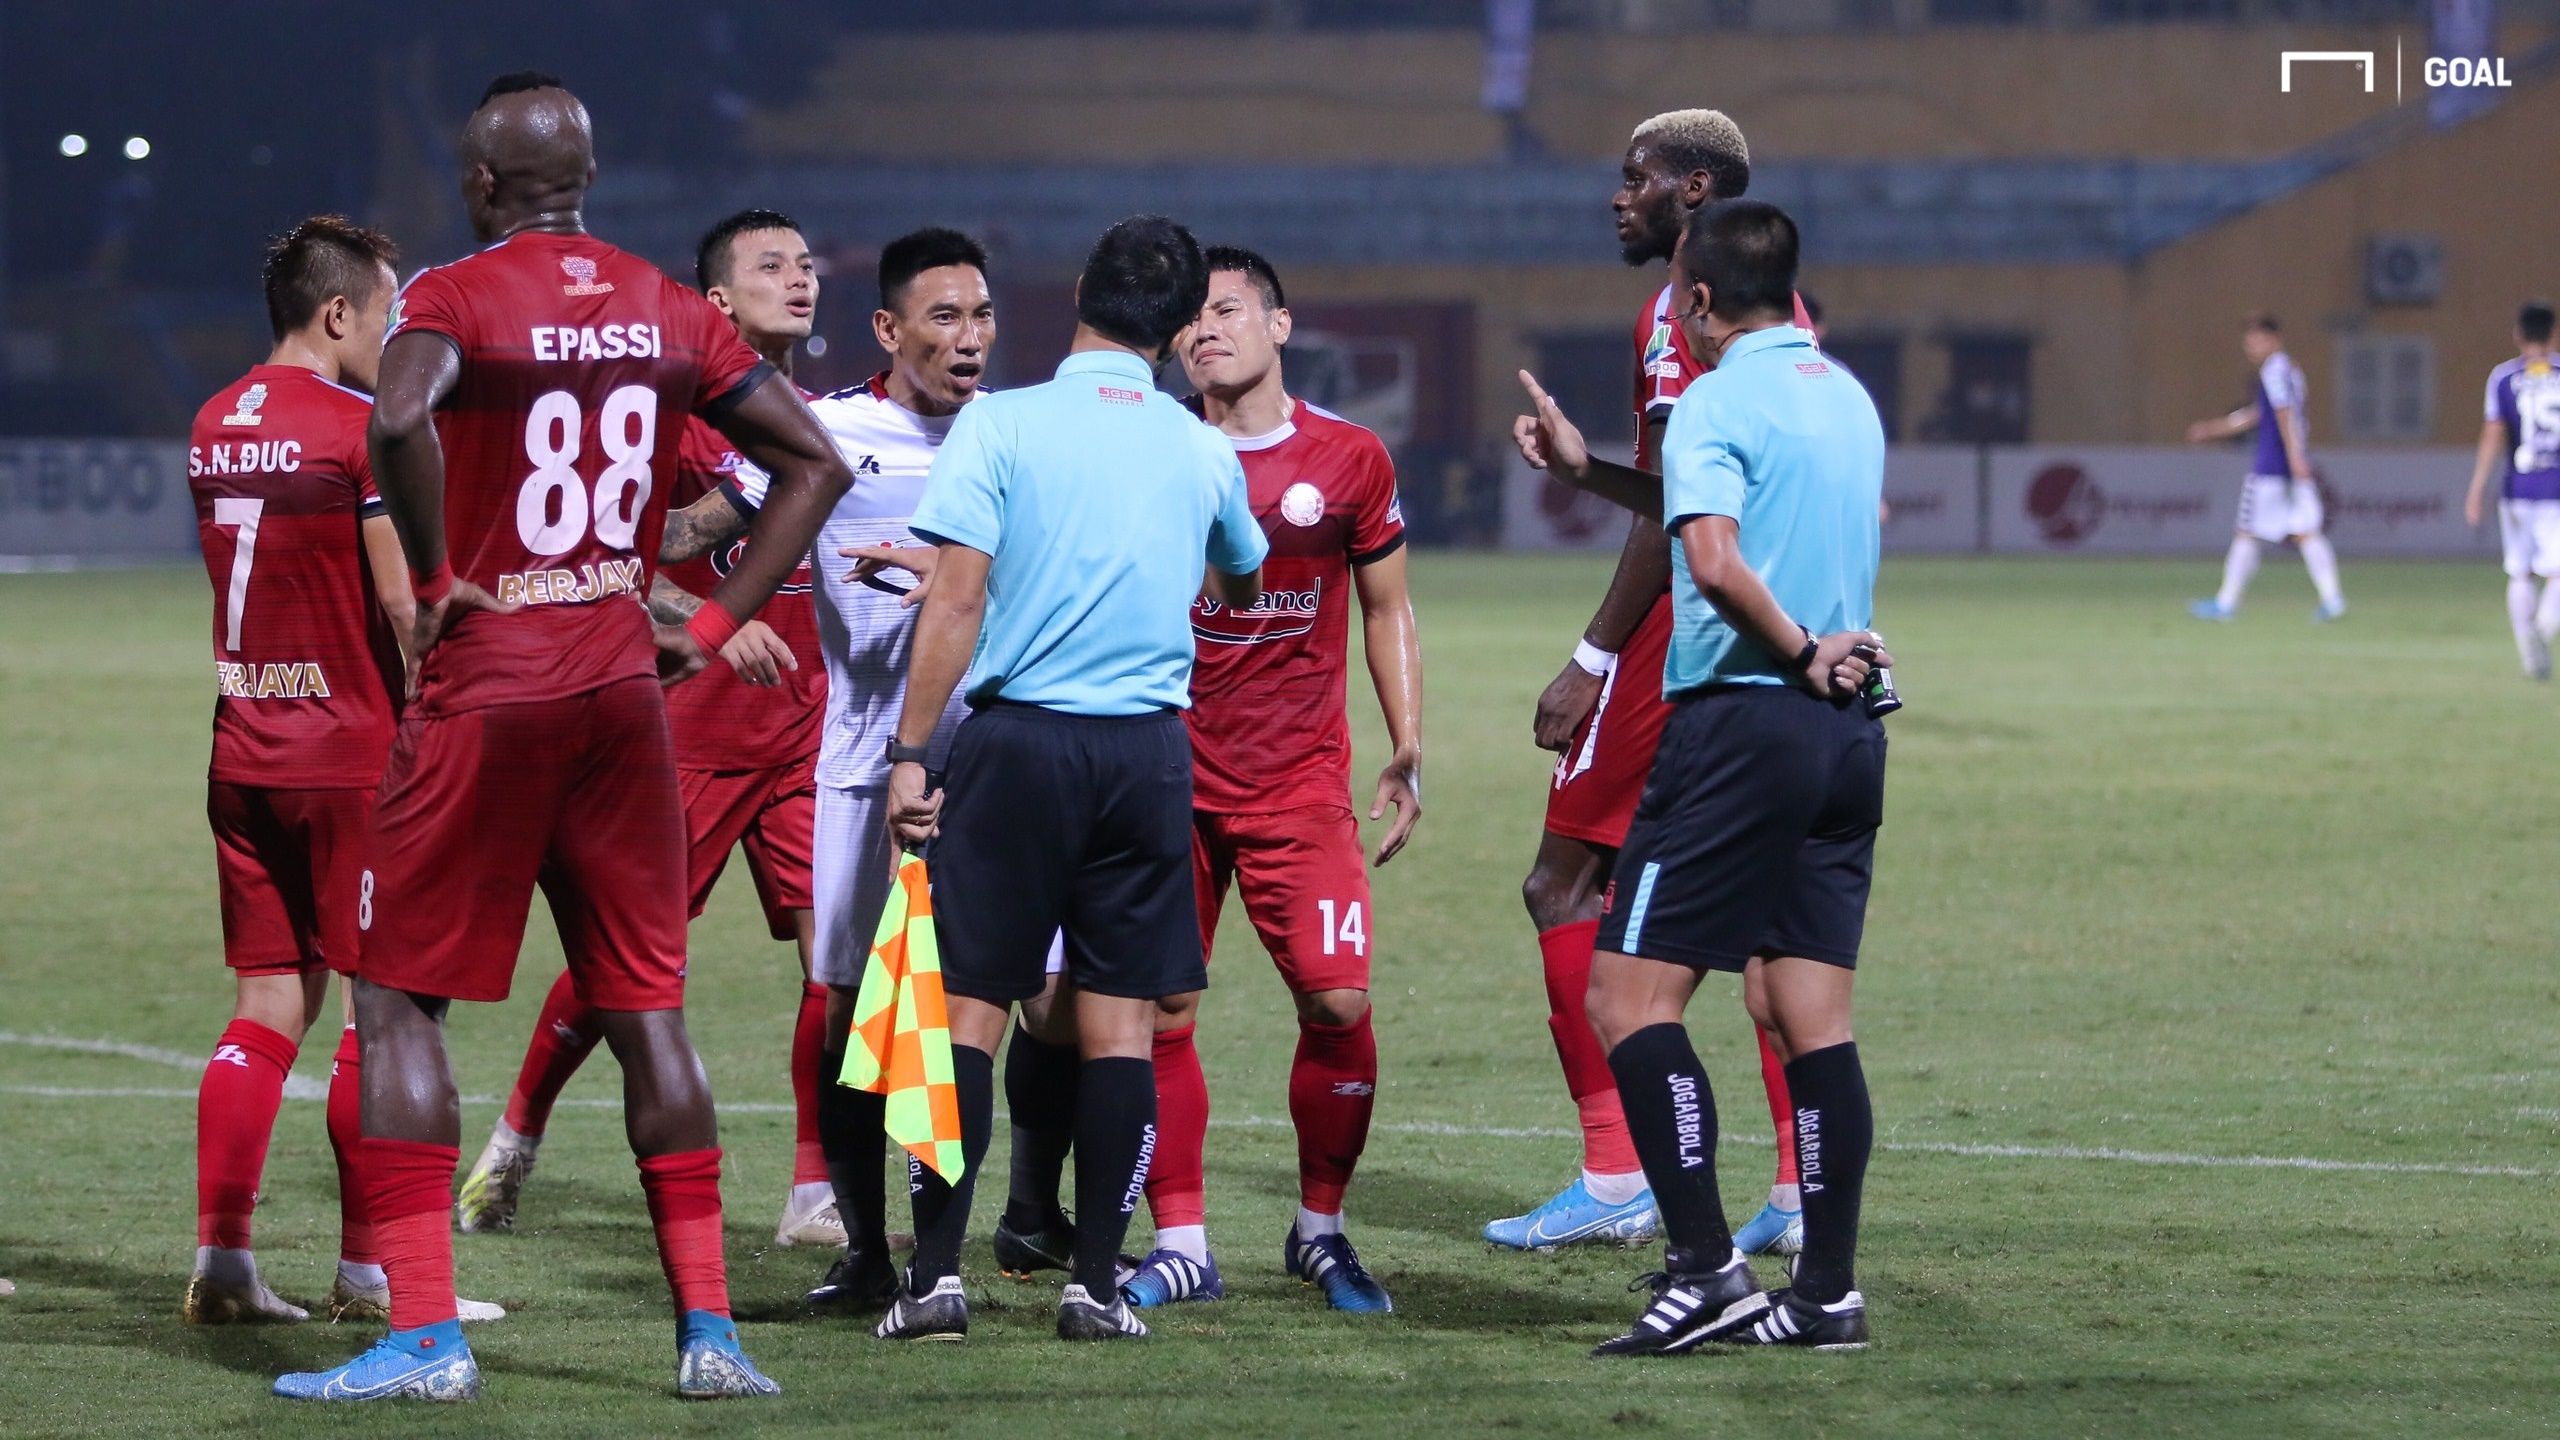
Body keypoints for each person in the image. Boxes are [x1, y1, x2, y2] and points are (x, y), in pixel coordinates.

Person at [273, 73, 851, 1403]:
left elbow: (400, 414)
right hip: (619, 695)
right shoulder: (662, 300)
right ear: (584, 176)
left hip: (488, 689)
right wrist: (706, 634)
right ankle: (710, 1337)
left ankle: (424, 1338)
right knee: (648, 1006)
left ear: (482, 187)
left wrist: (429, 577)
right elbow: (813, 464)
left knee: (396, 996)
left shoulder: (458, 299)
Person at [869, 215, 1267, 1345]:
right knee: (1122, 1026)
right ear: (1186, 325)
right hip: (1144, 754)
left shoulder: (1000, 423)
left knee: (968, 1013)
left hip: (1017, 746)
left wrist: (909, 754)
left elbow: (953, 597)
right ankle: (1096, 1287)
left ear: (1082, 288)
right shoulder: (1200, 448)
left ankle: (934, 1279)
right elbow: (1240, 582)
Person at [1514, 198, 1889, 1355]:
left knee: (1628, 998)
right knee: (1803, 1011)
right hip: (1849, 738)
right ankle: (1825, 1294)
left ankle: (1704, 1268)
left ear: (1700, 301)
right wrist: (1592, 473)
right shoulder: (1846, 396)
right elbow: (1713, 510)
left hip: (1743, 723)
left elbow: (1714, 558)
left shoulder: (1717, 394)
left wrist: (1793, 652)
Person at [456, 208, 841, 1251]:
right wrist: (713, 620)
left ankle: (814, 1190)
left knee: (834, 963)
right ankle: (517, 1134)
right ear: (715, 302)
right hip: (689, 729)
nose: (799, 278)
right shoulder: (670, 409)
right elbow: (620, 551)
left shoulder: (820, 419)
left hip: (808, 732)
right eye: (771, 265)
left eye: (806, 262)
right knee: (623, 967)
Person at [1489, 107, 1809, 1261]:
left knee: (1561, 883)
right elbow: (1684, 484)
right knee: (1773, 919)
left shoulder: (1687, 311)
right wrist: (1588, 471)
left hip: (1684, 628)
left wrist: (1589, 657)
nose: (1616, 197)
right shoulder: (1786, 323)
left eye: (1634, 180)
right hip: (1776, 632)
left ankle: (1616, 1166)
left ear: (1691, 190)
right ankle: (1797, 1187)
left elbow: (1687, 509)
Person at [183, 216, 503, 1330]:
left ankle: (223, 1261)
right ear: (337, 315)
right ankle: (375, 1275)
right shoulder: (359, 432)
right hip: (354, 759)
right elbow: (410, 609)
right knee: (386, 1012)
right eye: (388, 311)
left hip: (242, 747)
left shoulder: (213, 420)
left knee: (267, 1004)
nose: (398, 329)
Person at [1099, 246, 1420, 1313]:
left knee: (1336, 999)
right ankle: (1180, 1241)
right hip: (1162, 776)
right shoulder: (1151, 452)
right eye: (1190, 318)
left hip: (1296, 783)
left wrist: (1404, 740)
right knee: (1159, 1009)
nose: (1206, 331)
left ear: (1279, 326)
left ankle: (1319, 1229)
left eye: (1228, 310)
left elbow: (1384, 607)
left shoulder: (1348, 457)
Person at [788, 226, 999, 1310]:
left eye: (982, 316)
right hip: (866, 768)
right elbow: (719, 527)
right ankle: (867, 1249)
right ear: (888, 328)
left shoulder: (1014, 439)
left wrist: (967, 579)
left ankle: (999, 1236)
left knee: (998, 1007)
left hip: (997, 767)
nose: (971, 339)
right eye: (945, 317)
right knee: (848, 1009)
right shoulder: (826, 435)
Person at [2187, 314, 2347, 623]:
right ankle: (2333, 599)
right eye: (2248, 342)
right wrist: (2216, 428)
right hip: (2293, 462)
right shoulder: (2290, 369)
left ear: (2275, 340)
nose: (2251, 347)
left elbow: (2284, 414)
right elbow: (2264, 414)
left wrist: (2292, 455)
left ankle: (2226, 603)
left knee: (2247, 532)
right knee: (2308, 533)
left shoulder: (2274, 371)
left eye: (2257, 340)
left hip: (2273, 466)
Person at [2463, 300, 2560, 680]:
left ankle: (2527, 652)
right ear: (2553, 333)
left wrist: (2476, 488)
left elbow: (2493, 434)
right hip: (2557, 488)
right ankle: (2542, 632)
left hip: (2517, 489)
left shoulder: (2502, 378)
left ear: (2518, 335)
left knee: (2520, 573)